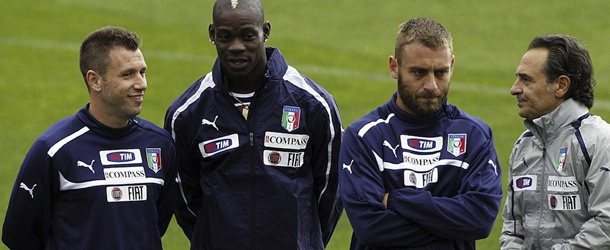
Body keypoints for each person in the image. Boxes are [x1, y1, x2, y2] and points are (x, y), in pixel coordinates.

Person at [163, 0, 343, 249]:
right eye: (225, 37)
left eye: (248, 36)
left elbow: (330, 191)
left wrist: (304, 239)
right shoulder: (187, 113)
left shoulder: (313, 104)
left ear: (265, 31)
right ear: (212, 34)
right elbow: (184, 197)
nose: (237, 47)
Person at [2, 26, 178, 250]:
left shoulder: (161, 146)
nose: (142, 84)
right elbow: (19, 235)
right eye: (127, 74)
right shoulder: (55, 150)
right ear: (95, 80)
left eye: (142, 72)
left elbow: (155, 224)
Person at [339, 17, 503, 250]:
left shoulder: (475, 135)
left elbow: (481, 218)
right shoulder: (364, 136)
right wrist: (452, 228)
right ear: (394, 67)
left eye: (441, 72)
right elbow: (371, 227)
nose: (432, 86)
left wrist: (395, 200)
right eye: (419, 72)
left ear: (452, 66)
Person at [500, 34, 610, 249]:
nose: (514, 89)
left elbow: (606, 225)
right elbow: (513, 228)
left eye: (526, 79)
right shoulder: (523, 146)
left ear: (561, 85)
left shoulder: (600, 142)